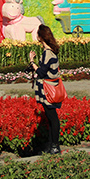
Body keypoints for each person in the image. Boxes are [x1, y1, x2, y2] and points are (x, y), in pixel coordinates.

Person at [28, 24, 62, 155]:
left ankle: (55, 145)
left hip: (49, 90)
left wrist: (32, 62)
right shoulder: (49, 51)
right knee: (49, 117)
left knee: (52, 117)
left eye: (37, 34)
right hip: (50, 88)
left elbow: (41, 72)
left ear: (41, 37)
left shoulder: (48, 53)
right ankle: (51, 144)